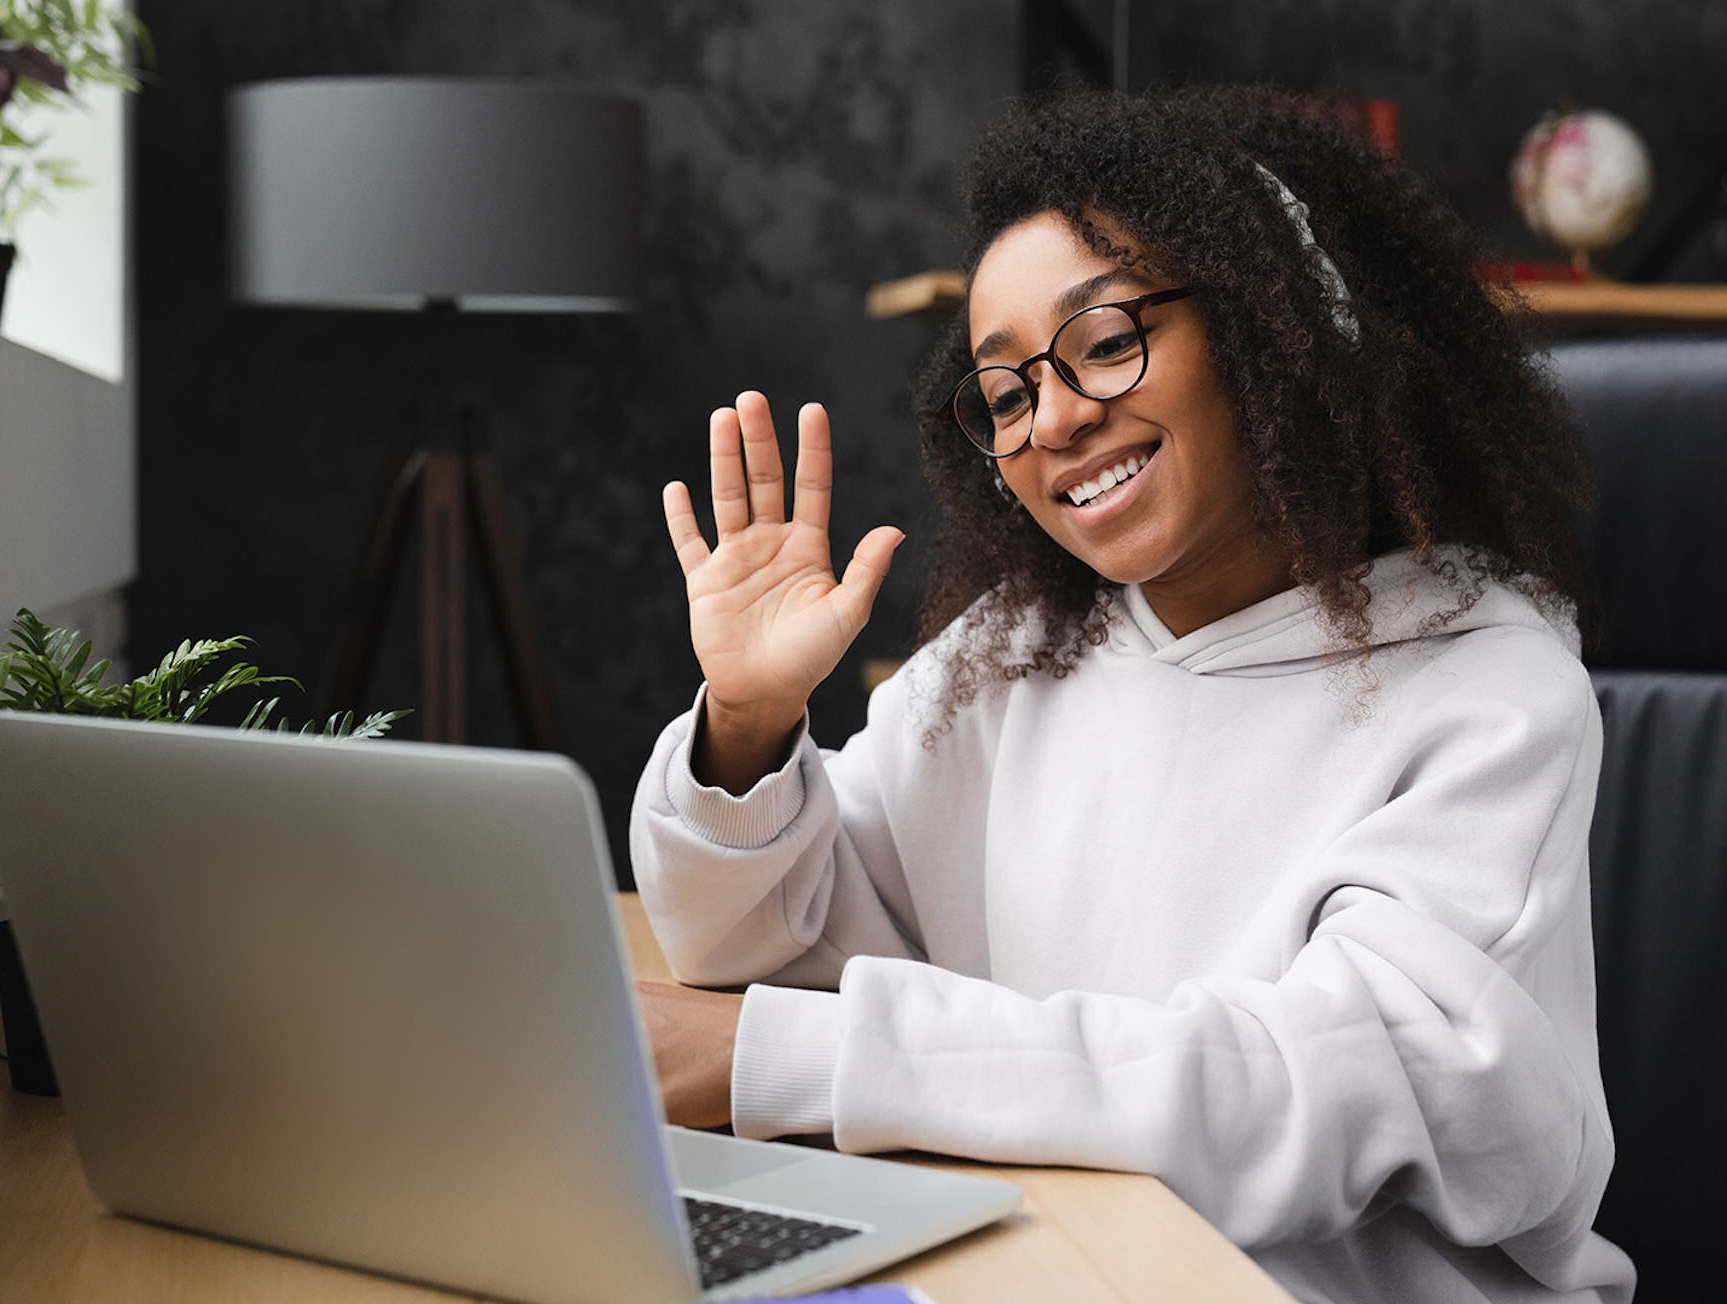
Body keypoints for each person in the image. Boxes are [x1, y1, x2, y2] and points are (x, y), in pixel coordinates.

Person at [629, 85, 1636, 1303]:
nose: (1054, 416)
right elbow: (761, 951)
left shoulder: (1488, 687)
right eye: (1004, 394)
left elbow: (1302, 1093)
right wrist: (746, 726)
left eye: (1107, 340)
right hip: (1044, 1265)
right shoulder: (1003, 659)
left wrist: (778, 1056)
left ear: (1273, 333)